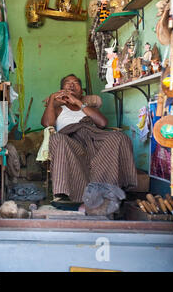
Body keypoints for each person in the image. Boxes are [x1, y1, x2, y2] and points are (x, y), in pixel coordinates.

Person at [41, 74, 137, 205]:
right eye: (67, 83)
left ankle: (119, 189)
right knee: (58, 138)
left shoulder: (87, 108)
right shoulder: (58, 109)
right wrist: (52, 99)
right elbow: (47, 124)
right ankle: (63, 194)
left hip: (94, 139)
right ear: (61, 90)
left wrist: (79, 103)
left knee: (119, 137)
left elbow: (102, 123)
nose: (71, 85)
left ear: (82, 91)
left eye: (75, 83)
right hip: (71, 141)